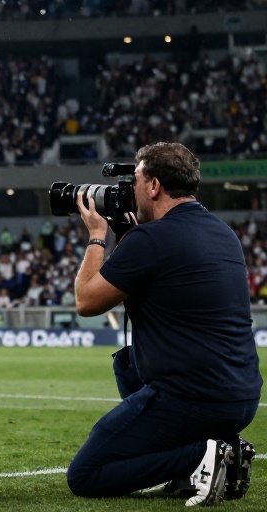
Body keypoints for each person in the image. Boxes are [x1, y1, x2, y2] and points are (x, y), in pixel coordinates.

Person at [67, 142, 262, 506]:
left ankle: (199, 458)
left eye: (136, 180)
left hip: (192, 398)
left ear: (154, 186)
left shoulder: (151, 239)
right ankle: (221, 451)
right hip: (240, 397)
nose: (131, 190)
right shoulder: (223, 232)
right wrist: (127, 236)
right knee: (129, 365)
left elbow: (86, 301)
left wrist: (96, 234)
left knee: (85, 475)